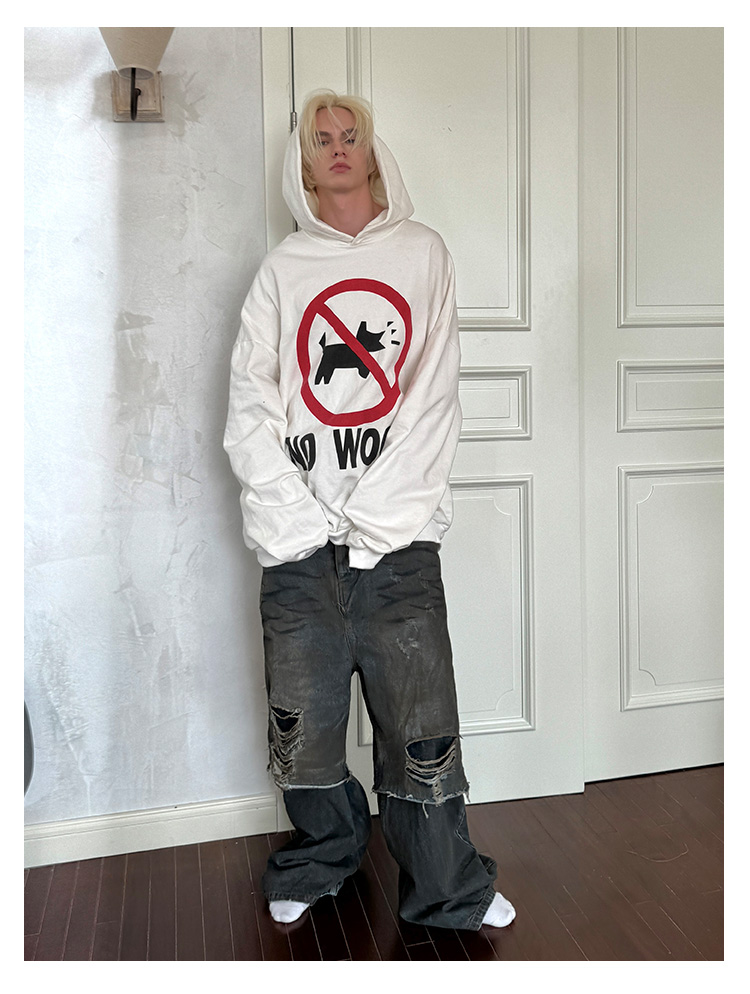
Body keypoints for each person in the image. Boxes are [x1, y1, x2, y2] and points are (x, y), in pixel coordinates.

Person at [224, 90, 516, 932]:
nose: (338, 148)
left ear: (373, 150)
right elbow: (251, 405)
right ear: (304, 164)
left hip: (398, 546)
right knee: (303, 730)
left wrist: (378, 520)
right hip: (299, 548)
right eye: (322, 139)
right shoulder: (282, 272)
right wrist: (295, 520)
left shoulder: (423, 255)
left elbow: (432, 397)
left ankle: (450, 888)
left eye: (351, 135)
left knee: (422, 732)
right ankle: (322, 857)